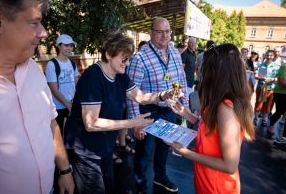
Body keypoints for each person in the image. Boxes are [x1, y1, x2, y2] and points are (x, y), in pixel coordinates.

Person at [0, 0, 74, 194]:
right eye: (34, 23)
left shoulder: (34, 70)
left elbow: (50, 123)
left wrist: (65, 170)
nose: (44, 32)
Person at [64, 31, 178, 193]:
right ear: (109, 54)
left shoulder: (120, 76)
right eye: (124, 58)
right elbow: (91, 123)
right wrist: (133, 123)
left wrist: (162, 95)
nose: (128, 62)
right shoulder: (92, 77)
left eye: (129, 58)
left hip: (104, 147)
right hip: (86, 150)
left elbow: (141, 97)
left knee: (109, 187)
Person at [168, 43, 255, 194]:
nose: (201, 73)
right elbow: (212, 129)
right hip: (206, 180)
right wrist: (186, 113)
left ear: (218, 74)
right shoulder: (219, 102)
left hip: (216, 187)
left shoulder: (226, 109)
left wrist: (185, 152)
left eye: (205, 69)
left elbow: (229, 165)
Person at [126, 17, 188, 193]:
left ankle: (160, 178)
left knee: (164, 148)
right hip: (149, 112)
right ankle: (140, 184)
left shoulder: (175, 52)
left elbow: (181, 78)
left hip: (170, 110)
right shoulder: (140, 57)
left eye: (167, 31)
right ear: (151, 32)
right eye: (159, 31)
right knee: (144, 152)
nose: (164, 35)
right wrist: (135, 122)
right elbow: (132, 93)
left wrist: (185, 106)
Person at [45, 34, 79, 135]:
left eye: (71, 45)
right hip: (58, 108)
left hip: (72, 105)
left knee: (71, 136)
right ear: (59, 46)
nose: (69, 48)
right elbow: (54, 89)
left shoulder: (72, 64)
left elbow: (77, 85)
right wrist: (67, 104)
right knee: (59, 136)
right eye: (66, 45)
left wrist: (75, 103)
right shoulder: (52, 64)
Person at [253, 50, 279, 127]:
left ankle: (264, 119)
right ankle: (255, 119)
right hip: (261, 88)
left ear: (273, 56)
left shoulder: (276, 67)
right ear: (265, 55)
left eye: (270, 55)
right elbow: (256, 75)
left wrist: (272, 79)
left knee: (268, 105)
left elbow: (278, 78)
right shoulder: (262, 65)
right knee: (259, 104)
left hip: (270, 89)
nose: (269, 57)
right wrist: (262, 78)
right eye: (267, 55)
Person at [267, 62, 286, 135]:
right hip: (281, 94)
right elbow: (282, 81)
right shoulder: (284, 66)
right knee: (279, 111)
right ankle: (271, 125)